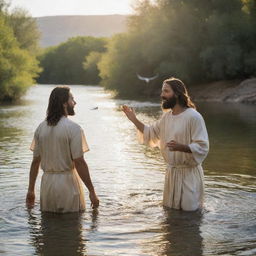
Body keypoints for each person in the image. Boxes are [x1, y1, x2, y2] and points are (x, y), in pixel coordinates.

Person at [122, 77, 209, 211]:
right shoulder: (167, 117)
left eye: (166, 91)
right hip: (172, 174)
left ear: (178, 94)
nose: (162, 95)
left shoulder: (194, 117)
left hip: (189, 174)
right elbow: (150, 132)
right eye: (162, 91)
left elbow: (203, 147)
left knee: (190, 215)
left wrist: (183, 147)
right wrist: (134, 120)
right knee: (171, 215)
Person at [26, 86, 99, 213]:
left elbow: (35, 162)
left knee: (47, 229)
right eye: (72, 99)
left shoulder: (41, 128)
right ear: (64, 103)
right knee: (72, 227)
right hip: (67, 184)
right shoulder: (74, 128)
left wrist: (31, 190)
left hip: (47, 185)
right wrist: (92, 191)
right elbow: (79, 162)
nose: (75, 103)